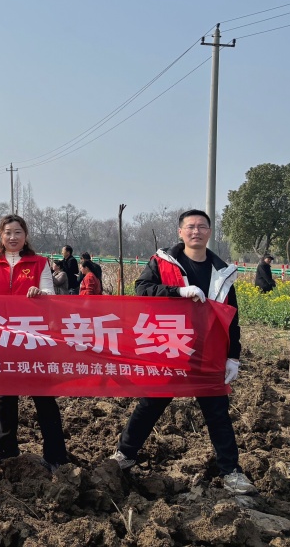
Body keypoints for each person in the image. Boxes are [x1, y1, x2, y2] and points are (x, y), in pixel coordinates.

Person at [111, 209, 254, 494]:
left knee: (217, 412)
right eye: (190, 227)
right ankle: (124, 455)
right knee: (151, 404)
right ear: (180, 232)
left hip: (208, 351)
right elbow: (142, 289)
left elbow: (231, 317)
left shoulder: (222, 272)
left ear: (209, 232)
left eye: (202, 227)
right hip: (170, 347)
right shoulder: (163, 262)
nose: (196, 231)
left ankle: (231, 471)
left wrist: (233, 356)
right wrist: (177, 292)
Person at [0, 214, 68, 471]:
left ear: (25, 235)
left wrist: (41, 294)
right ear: (0, 235)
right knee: (6, 395)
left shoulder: (39, 263)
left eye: (18, 232)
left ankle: (55, 454)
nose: (13, 237)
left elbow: (50, 293)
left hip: (33, 339)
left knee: (43, 396)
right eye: (8, 232)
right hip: (3, 339)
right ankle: (5, 447)